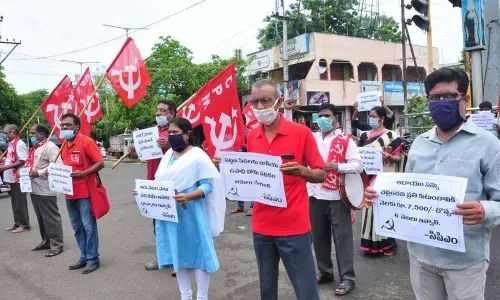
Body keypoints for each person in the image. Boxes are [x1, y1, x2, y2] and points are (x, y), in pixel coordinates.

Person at [365, 67, 500, 300]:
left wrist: (484, 210)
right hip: (421, 257)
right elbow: (405, 192)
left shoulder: (489, 144)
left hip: (466, 261)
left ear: (464, 100)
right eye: (434, 98)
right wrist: (379, 196)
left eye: (449, 96)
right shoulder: (419, 144)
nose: (441, 102)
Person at [238, 79, 326, 299]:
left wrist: (301, 171)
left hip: (294, 227)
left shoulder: (300, 133)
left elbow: (321, 174)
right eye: (255, 102)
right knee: (267, 289)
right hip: (262, 225)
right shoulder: (252, 135)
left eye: (265, 101)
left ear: (278, 102)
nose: (259, 107)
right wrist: (230, 168)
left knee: (305, 290)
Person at [143, 117, 223, 300]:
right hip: (171, 215)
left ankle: (202, 297)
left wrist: (188, 196)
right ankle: (185, 295)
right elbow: (159, 182)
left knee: (200, 255)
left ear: (187, 135)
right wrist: (143, 192)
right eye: (169, 132)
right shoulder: (167, 155)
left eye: (175, 133)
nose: (171, 136)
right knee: (179, 254)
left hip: (192, 213)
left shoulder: (198, 156)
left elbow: (207, 186)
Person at [307, 103, 363, 296]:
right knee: (319, 237)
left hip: (337, 197)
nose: (323, 119)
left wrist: (337, 166)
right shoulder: (311, 138)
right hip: (315, 195)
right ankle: (325, 272)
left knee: (343, 239)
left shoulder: (345, 140)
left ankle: (347, 278)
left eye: (327, 115)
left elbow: (358, 166)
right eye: (320, 115)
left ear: (335, 119)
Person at [129, 99, 177, 272]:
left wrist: (170, 143)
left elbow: (189, 148)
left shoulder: (176, 130)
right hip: (152, 184)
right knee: (158, 224)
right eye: (157, 110)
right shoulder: (150, 132)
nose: (158, 113)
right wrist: (134, 151)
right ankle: (163, 257)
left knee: (176, 223)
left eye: (163, 110)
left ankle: (180, 260)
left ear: (171, 113)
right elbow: (137, 157)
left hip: (172, 184)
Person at [60, 113, 104, 274]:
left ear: (77, 126)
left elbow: (100, 162)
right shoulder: (64, 144)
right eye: (62, 125)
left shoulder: (86, 141)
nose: (64, 128)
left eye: (68, 125)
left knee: (88, 227)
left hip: (85, 192)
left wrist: (84, 173)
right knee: (77, 227)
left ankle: (93, 259)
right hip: (68, 193)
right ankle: (84, 256)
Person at [358, 106, 403, 256]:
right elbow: (359, 157)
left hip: (384, 179)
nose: (371, 118)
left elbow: (399, 158)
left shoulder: (392, 136)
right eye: (369, 116)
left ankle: (389, 244)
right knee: (368, 210)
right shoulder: (364, 136)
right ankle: (370, 244)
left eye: (373, 116)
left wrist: (390, 157)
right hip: (368, 179)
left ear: (382, 119)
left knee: (384, 211)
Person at [26, 124, 64, 257]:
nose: (30, 136)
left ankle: (57, 244)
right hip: (34, 188)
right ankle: (46, 241)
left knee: (51, 218)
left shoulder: (50, 147)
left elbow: (58, 166)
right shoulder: (35, 148)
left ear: (41, 134)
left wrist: (39, 172)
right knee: (41, 217)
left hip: (46, 189)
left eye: (32, 133)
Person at [2, 124, 30, 233]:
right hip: (11, 178)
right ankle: (17, 222)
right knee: (14, 202)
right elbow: (11, 159)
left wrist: (6, 167)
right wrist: (5, 163)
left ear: (13, 132)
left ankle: (24, 224)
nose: (5, 135)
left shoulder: (19, 144)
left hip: (19, 178)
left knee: (20, 203)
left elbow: (22, 160)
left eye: (7, 133)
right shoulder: (11, 144)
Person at [231, 114, 254, 216]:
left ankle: (253, 207)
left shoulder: (249, 132)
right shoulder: (232, 133)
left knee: (251, 183)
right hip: (236, 163)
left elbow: (253, 147)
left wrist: (242, 146)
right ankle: (240, 206)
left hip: (248, 162)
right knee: (239, 183)